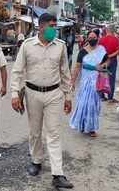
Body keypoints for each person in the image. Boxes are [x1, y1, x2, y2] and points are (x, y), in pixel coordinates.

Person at [10, 13, 74, 189]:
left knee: (53, 133)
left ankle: (57, 174)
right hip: (32, 94)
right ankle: (36, 161)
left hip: (54, 94)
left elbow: (65, 72)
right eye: (51, 25)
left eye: (55, 26)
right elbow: (17, 71)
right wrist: (15, 94)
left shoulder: (60, 46)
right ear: (41, 26)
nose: (54, 29)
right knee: (35, 131)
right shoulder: (27, 45)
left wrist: (68, 96)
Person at [70, 31, 108, 137]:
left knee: (93, 105)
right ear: (87, 38)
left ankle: (91, 128)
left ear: (98, 38)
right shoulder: (83, 52)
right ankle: (83, 124)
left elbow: (106, 64)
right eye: (90, 37)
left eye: (94, 37)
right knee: (83, 104)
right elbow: (77, 67)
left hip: (96, 82)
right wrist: (72, 81)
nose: (92, 39)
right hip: (85, 82)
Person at [99, 25, 119, 103]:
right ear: (113, 31)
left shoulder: (101, 39)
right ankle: (110, 97)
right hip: (112, 60)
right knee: (111, 79)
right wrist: (110, 56)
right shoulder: (116, 39)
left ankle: (102, 96)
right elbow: (118, 51)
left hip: (103, 60)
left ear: (106, 31)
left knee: (102, 78)